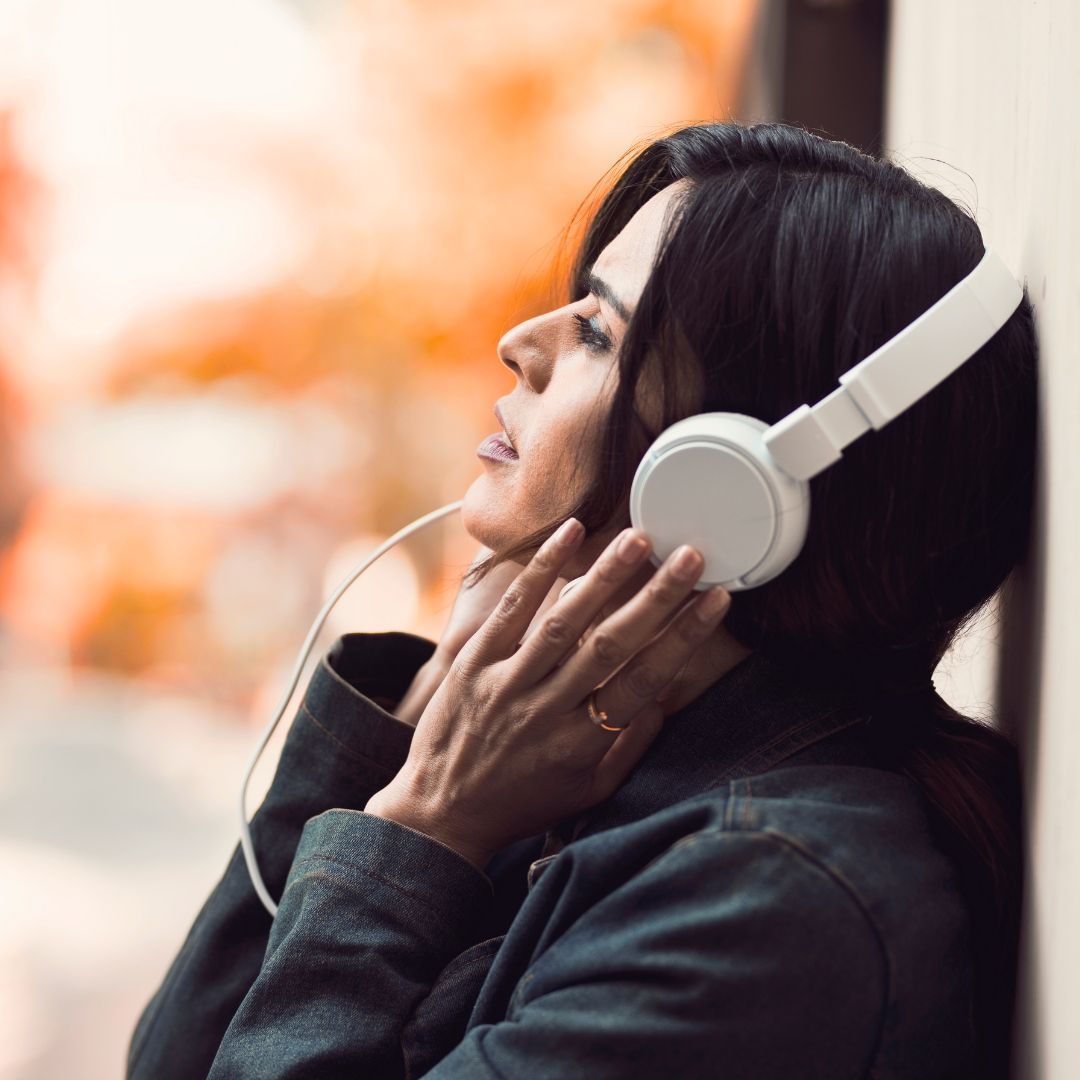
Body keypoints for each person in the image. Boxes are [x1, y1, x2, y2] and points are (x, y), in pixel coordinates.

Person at [127, 121, 1037, 1079]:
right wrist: (431, 700)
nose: (518, 343)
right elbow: (182, 1060)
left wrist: (419, 831)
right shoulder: (555, 758)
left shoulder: (763, 910)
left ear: (728, 484)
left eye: (601, 332)